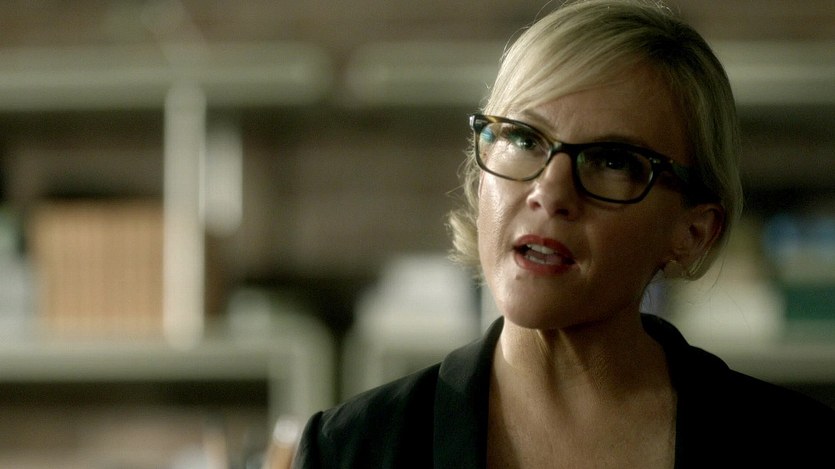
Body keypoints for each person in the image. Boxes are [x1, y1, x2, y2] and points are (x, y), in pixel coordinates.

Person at [293, 0, 835, 467]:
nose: (550, 192)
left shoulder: (798, 446)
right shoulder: (350, 451)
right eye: (524, 139)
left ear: (693, 232)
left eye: (613, 160)